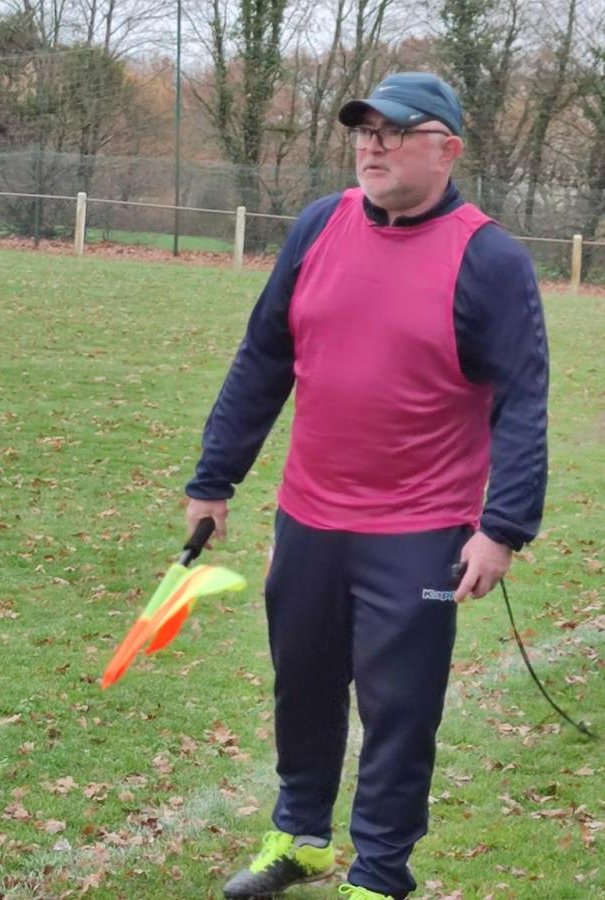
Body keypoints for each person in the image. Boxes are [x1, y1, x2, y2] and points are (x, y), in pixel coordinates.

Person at [184, 71, 548, 900]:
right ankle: (301, 838)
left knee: (398, 710)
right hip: (309, 518)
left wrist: (502, 526)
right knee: (302, 685)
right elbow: (263, 357)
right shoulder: (320, 223)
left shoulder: (488, 259)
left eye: (396, 129)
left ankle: (380, 874)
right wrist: (214, 477)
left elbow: (523, 401)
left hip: (419, 529)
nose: (372, 143)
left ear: (446, 148)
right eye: (362, 128)